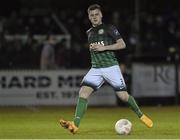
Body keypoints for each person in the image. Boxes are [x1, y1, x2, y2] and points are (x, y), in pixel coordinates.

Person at [59, 4, 153, 134]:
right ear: (89, 17)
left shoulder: (109, 28)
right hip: (96, 69)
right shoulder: (89, 32)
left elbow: (122, 44)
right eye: (91, 15)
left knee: (123, 96)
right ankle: (75, 125)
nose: (94, 17)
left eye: (96, 14)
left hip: (111, 67)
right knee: (83, 93)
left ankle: (141, 115)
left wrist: (105, 47)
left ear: (101, 15)